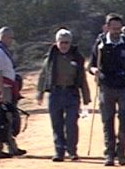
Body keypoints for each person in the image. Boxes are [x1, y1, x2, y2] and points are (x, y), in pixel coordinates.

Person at [89, 13, 125, 166]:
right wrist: (94, 71)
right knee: (107, 120)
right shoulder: (100, 44)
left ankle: (122, 151)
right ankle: (109, 153)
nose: (116, 31)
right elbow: (91, 65)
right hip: (106, 86)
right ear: (107, 27)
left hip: (124, 86)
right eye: (113, 28)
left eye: (119, 28)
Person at [37, 28, 91, 162]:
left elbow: (82, 78)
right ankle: (59, 151)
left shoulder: (77, 58)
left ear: (70, 43)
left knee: (71, 123)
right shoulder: (50, 59)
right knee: (57, 124)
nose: (64, 45)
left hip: (71, 93)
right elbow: (43, 76)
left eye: (66, 42)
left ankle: (72, 150)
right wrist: (40, 93)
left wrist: (86, 96)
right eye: (61, 42)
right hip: (55, 93)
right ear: (56, 43)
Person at [0, 26, 27, 159]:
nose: (11, 40)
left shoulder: (2, 51)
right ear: (3, 37)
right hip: (2, 89)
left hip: (7, 87)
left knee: (9, 118)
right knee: (1, 119)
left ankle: (12, 147)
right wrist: (3, 91)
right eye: (10, 37)